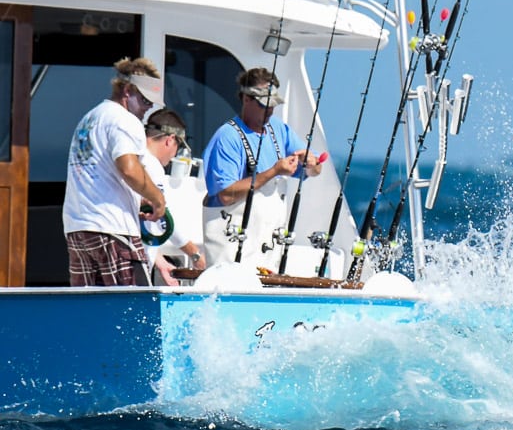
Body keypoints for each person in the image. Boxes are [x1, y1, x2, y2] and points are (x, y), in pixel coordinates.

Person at [201, 67, 323, 268]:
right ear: (246, 99)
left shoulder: (279, 129)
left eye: (273, 105)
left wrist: (312, 163)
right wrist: (273, 171)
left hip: (267, 251)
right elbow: (226, 195)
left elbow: (314, 170)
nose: (270, 110)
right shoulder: (227, 137)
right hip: (230, 251)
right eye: (264, 105)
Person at [63, 57, 167, 286]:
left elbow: (99, 173)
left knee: (89, 311)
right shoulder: (124, 120)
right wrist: (157, 199)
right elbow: (129, 169)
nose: (148, 108)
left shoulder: (89, 118)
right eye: (145, 100)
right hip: (112, 228)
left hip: (78, 227)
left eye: (152, 103)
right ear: (128, 91)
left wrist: (136, 200)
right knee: (133, 311)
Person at [138, 108, 207, 285]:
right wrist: (195, 254)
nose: (175, 155)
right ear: (170, 140)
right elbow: (163, 221)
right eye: (178, 147)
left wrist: (159, 261)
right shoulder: (152, 166)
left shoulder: (135, 158)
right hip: (133, 258)